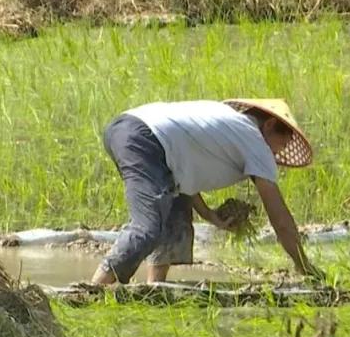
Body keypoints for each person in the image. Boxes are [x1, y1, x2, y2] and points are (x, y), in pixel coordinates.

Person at [89, 99, 322, 285]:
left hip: (131, 131)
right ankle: (93, 290)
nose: (273, 155)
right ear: (269, 126)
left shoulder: (229, 125)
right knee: (147, 228)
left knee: (176, 205)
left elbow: (185, 176)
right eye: (278, 146)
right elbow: (279, 219)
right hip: (143, 139)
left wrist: (210, 215)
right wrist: (303, 266)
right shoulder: (255, 141)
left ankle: (155, 287)